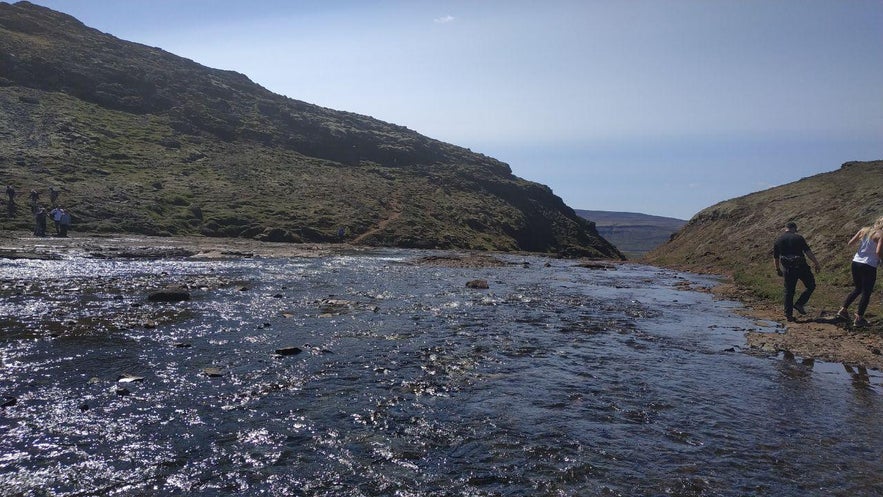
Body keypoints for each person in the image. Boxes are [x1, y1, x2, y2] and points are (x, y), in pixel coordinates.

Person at [836, 216, 883, 327]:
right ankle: (859, 318)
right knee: (866, 292)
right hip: (869, 265)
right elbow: (878, 251)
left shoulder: (864, 230)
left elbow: (850, 243)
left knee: (858, 288)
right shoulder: (881, 235)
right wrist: (881, 259)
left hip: (856, 262)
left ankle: (843, 310)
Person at [773, 221, 821, 322]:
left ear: (785, 228)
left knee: (789, 291)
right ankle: (799, 303)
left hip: (788, 268)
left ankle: (788, 315)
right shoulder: (798, 238)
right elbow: (808, 252)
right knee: (811, 285)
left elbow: (776, 257)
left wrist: (777, 269)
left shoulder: (778, 240)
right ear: (794, 228)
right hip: (801, 266)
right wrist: (816, 263)